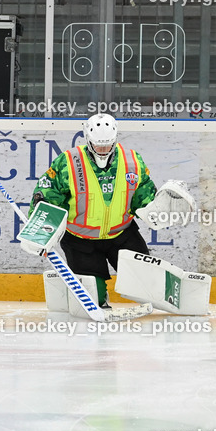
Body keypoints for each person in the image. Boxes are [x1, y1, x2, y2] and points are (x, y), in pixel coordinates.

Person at [28, 113, 156, 309]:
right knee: (92, 296)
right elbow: (47, 194)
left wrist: (156, 209)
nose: (103, 150)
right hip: (80, 239)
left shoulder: (132, 160)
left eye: (107, 145)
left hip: (122, 235)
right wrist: (41, 232)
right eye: (98, 146)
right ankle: (99, 297)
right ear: (88, 140)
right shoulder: (68, 162)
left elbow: (143, 195)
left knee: (146, 282)